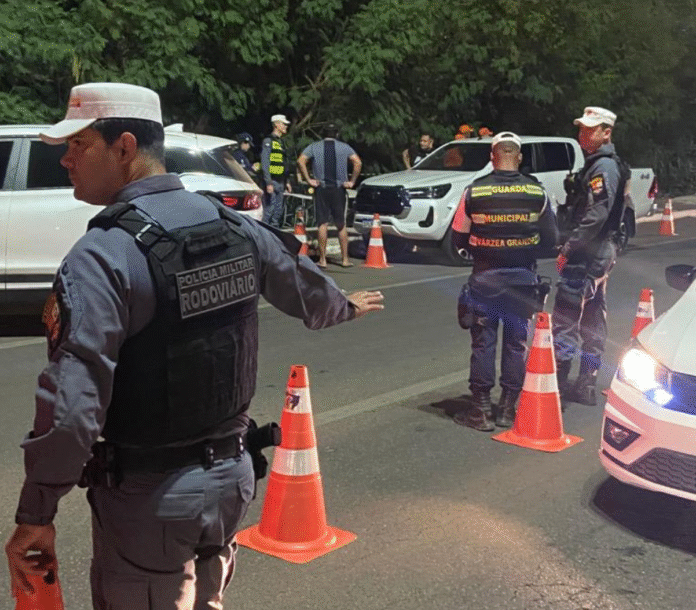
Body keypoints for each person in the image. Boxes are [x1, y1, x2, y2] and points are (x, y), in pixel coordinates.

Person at [4, 82, 384, 610]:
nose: (66, 159)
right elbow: (304, 287)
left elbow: (72, 410)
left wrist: (37, 513)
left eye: (78, 144)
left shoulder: (104, 255)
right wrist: (343, 305)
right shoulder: (231, 225)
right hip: (231, 484)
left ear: (124, 147)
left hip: (150, 500)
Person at [451, 132, 558, 431]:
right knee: (516, 344)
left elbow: (458, 236)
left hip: (484, 279)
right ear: (519, 157)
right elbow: (551, 238)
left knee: (483, 344)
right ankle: (508, 410)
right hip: (523, 280)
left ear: (492, 156)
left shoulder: (474, 192)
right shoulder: (537, 192)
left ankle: (481, 410)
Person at [553, 106, 630, 407]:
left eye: (590, 129)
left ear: (606, 132)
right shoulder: (603, 164)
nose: (583, 134)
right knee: (593, 315)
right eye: (581, 129)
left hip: (588, 252)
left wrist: (569, 247)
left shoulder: (604, 167)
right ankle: (586, 383)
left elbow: (597, 215)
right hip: (599, 251)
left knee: (566, 315)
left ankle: (557, 387)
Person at [297, 124, 362, 268]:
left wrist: (308, 179)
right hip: (339, 188)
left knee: (322, 223)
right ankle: (345, 259)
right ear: (336, 134)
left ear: (323, 133)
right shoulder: (344, 147)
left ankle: (322, 259)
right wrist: (352, 181)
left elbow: (301, 161)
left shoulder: (314, 146)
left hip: (321, 188)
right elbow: (357, 162)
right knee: (341, 224)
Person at [261, 114, 292, 227]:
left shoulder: (281, 142)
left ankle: (275, 234)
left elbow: (284, 163)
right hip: (272, 181)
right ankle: (264, 233)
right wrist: (268, 182)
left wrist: (287, 181)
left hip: (281, 182)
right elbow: (265, 162)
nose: (286, 126)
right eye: (284, 124)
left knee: (278, 213)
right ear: (276, 124)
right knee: (269, 211)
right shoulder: (268, 141)